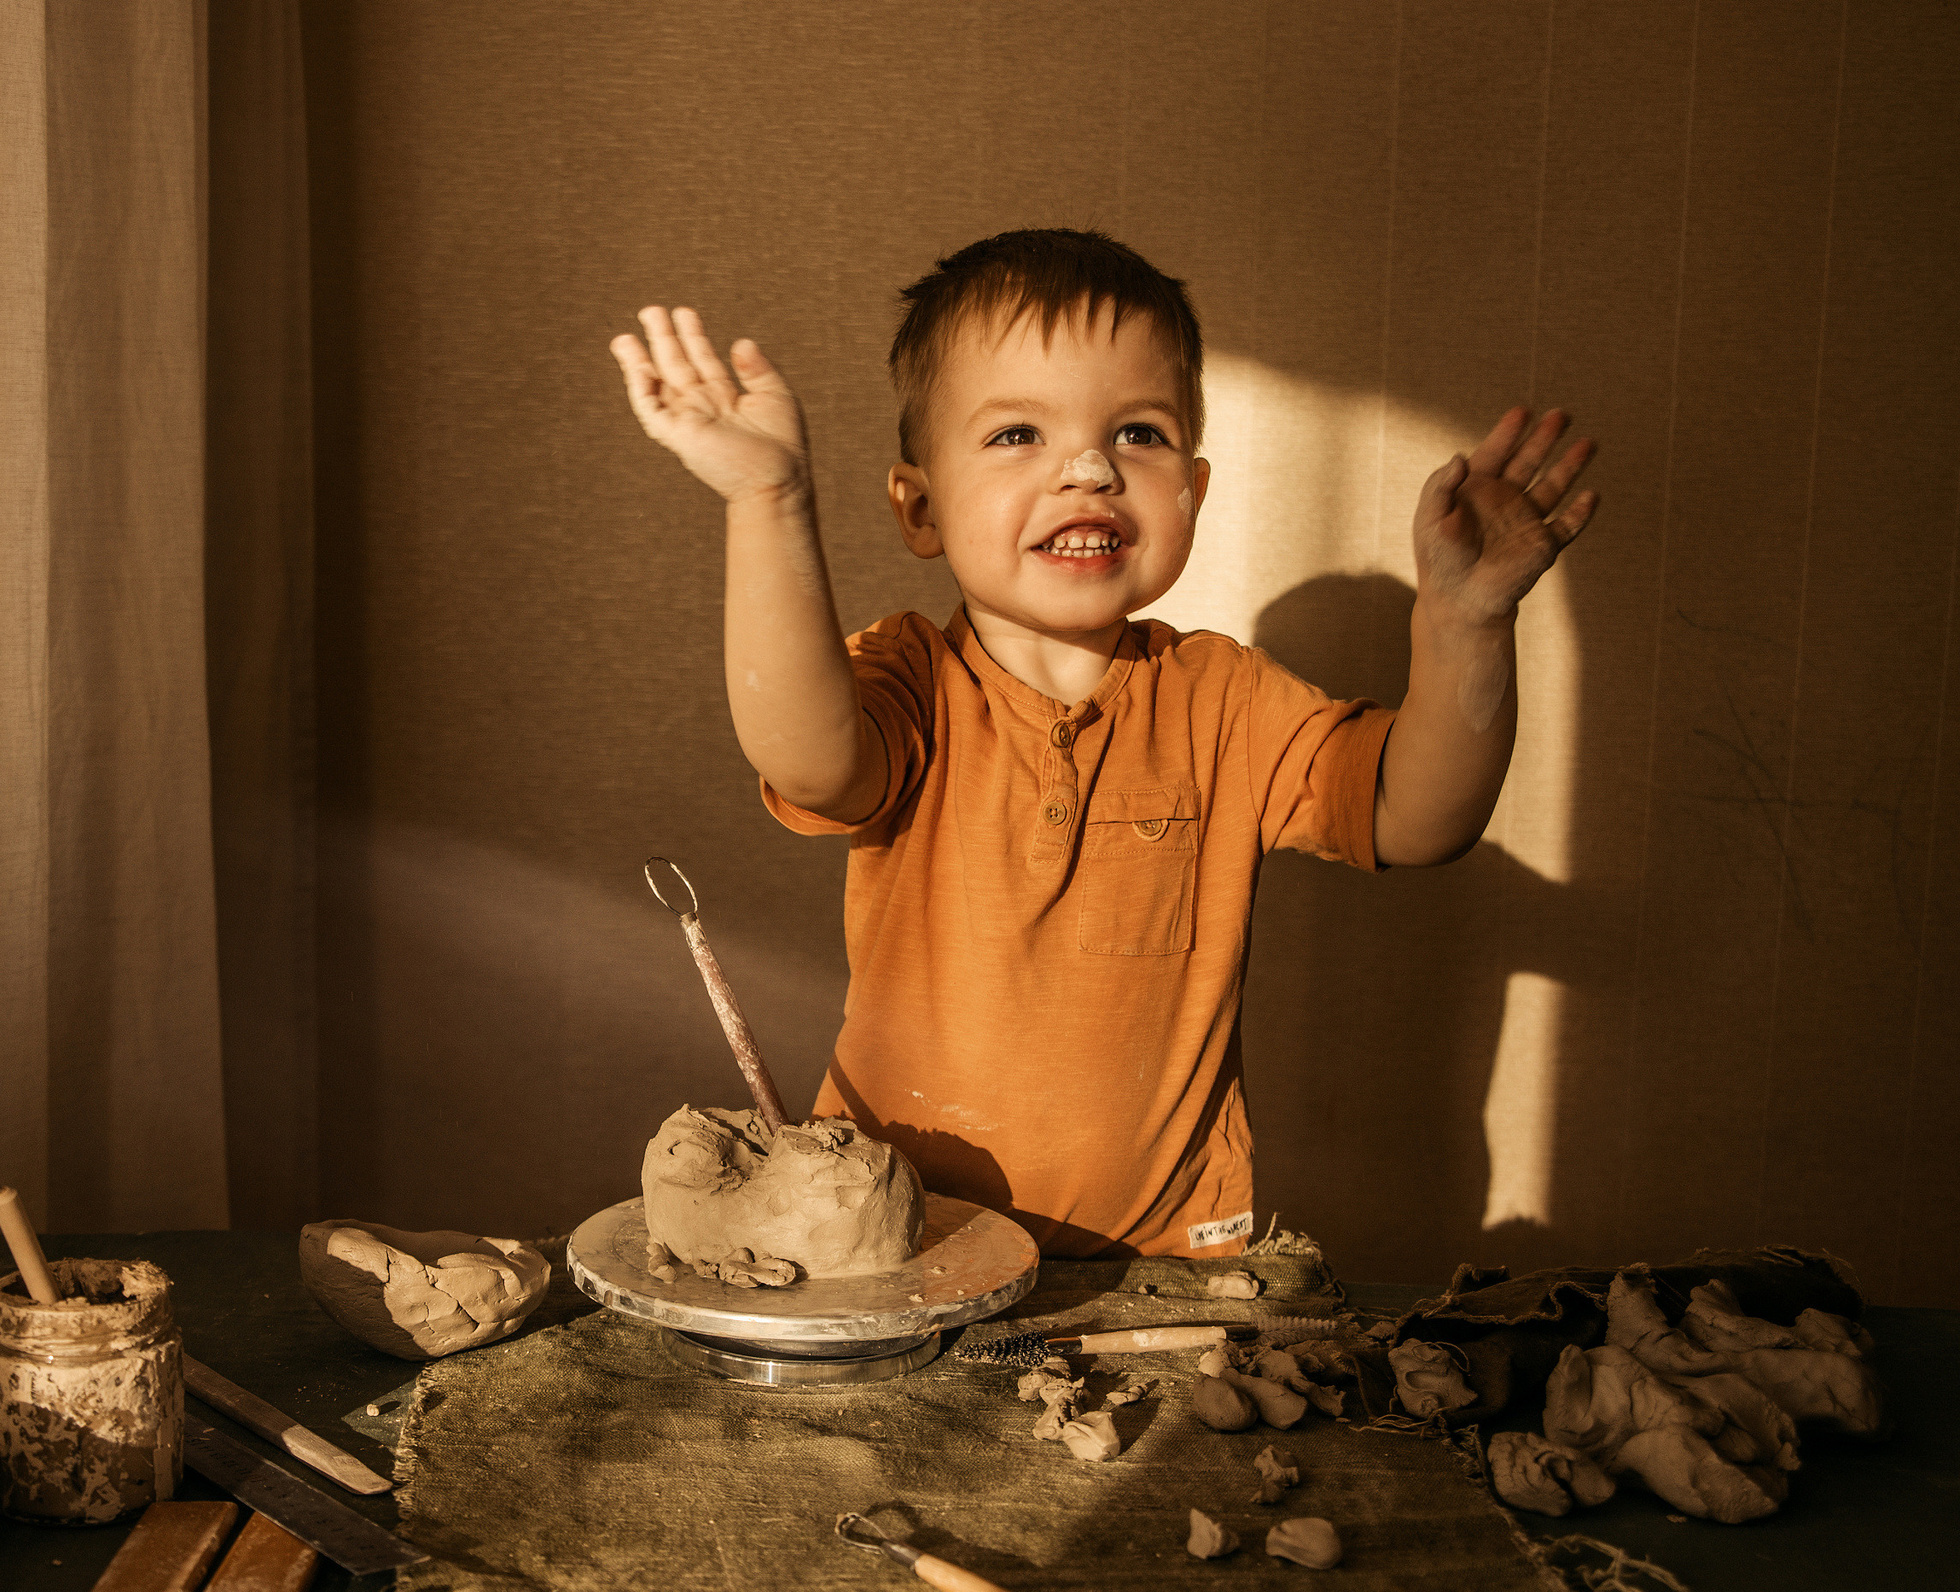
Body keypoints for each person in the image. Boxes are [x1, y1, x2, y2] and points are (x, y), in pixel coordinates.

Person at [608, 228, 1599, 1261]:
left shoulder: (1226, 699)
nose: (1087, 468)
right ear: (919, 508)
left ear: (1195, 494)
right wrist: (770, 503)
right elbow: (808, 761)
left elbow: (1417, 817)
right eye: (1015, 436)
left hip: (1158, 1261)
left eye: (1137, 434)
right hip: (897, 1246)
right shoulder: (913, 681)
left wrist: (1466, 624)